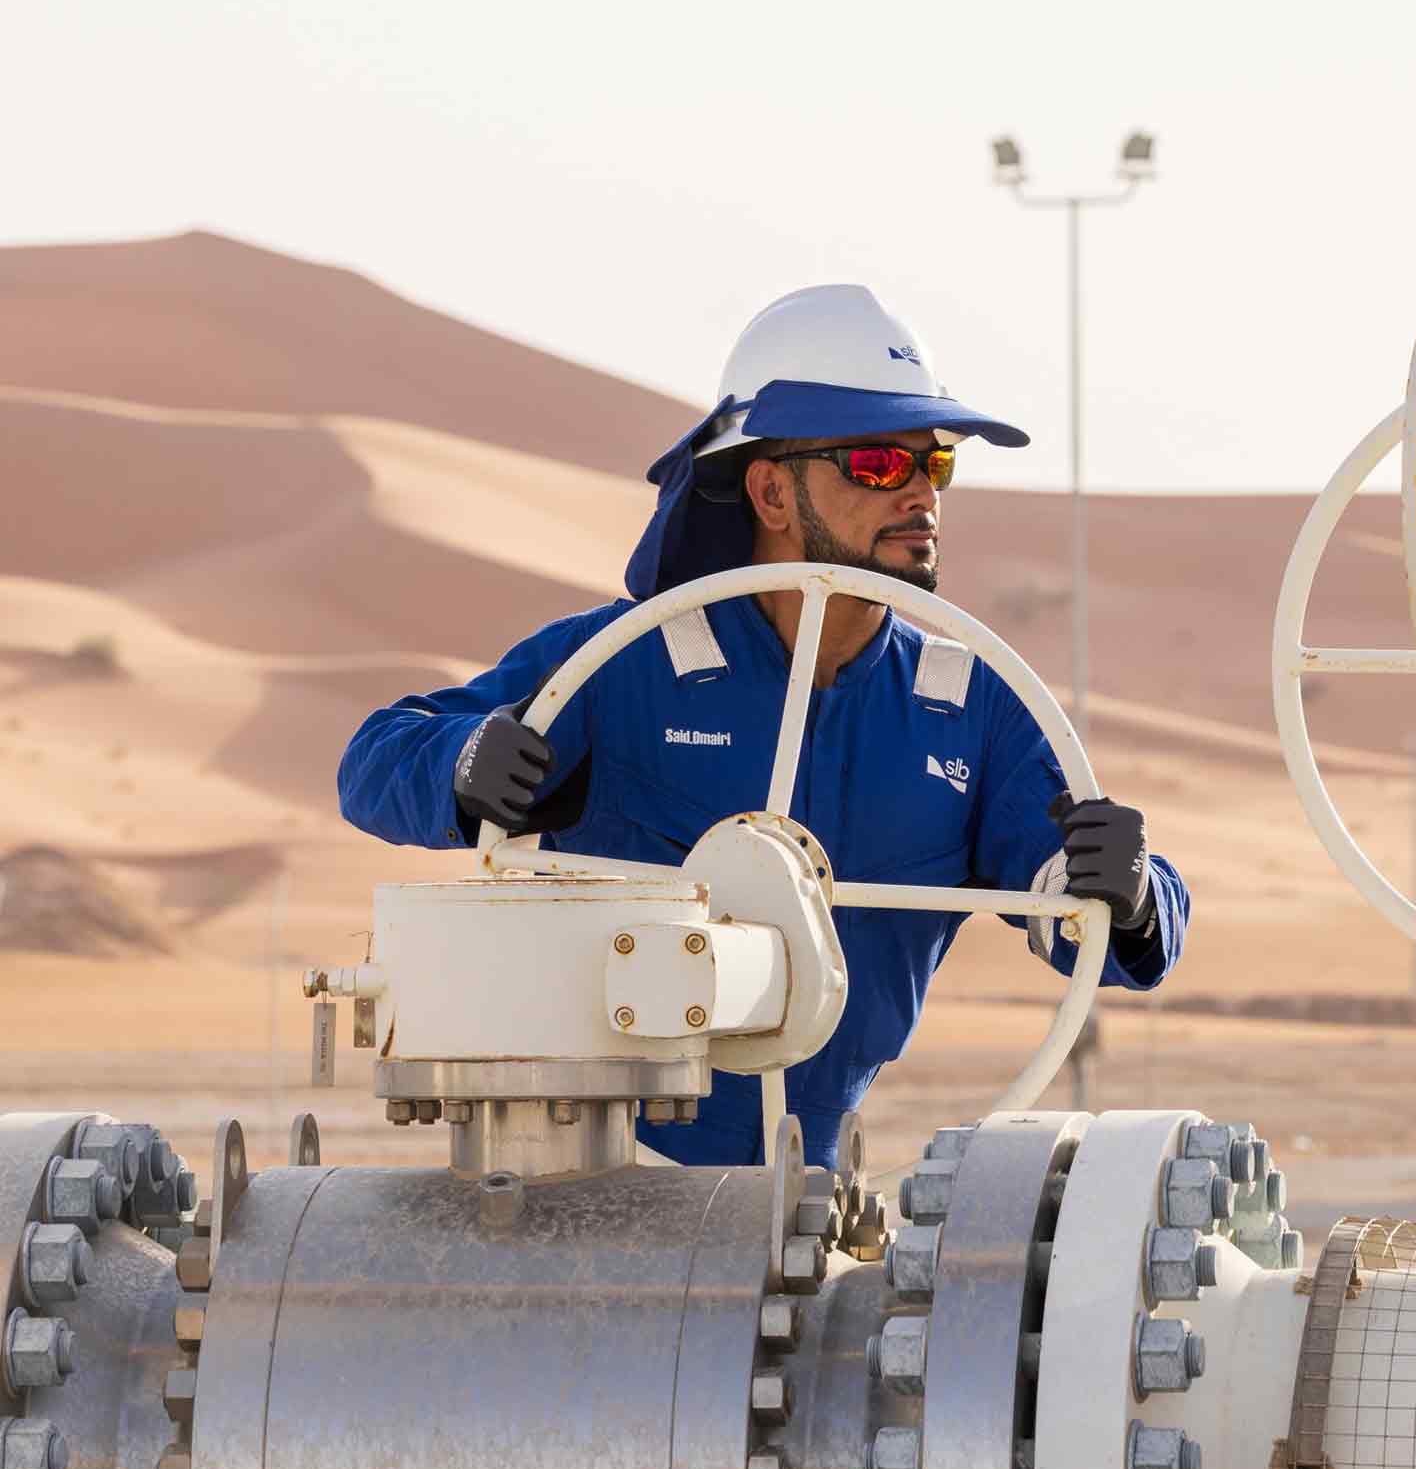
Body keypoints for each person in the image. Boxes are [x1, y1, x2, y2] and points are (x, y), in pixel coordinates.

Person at [338, 284, 1189, 1166]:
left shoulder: (969, 710)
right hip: (585, 1176)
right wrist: (463, 765)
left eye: (933, 464)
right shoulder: (620, 667)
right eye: (876, 466)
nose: (920, 497)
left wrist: (1129, 895)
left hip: (811, 1197)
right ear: (772, 492)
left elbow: (1094, 922)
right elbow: (371, 762)